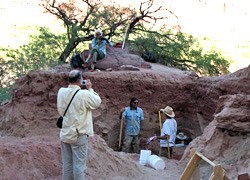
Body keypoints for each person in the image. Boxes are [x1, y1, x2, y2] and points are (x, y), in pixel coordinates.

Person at [57, 69, 101, 180]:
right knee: (79, 166)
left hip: (65, 132)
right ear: (80, 80)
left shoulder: (61, 91)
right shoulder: (84, 94)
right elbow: (97, 102)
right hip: (79, 134)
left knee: (67, 165)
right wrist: (90, 88)